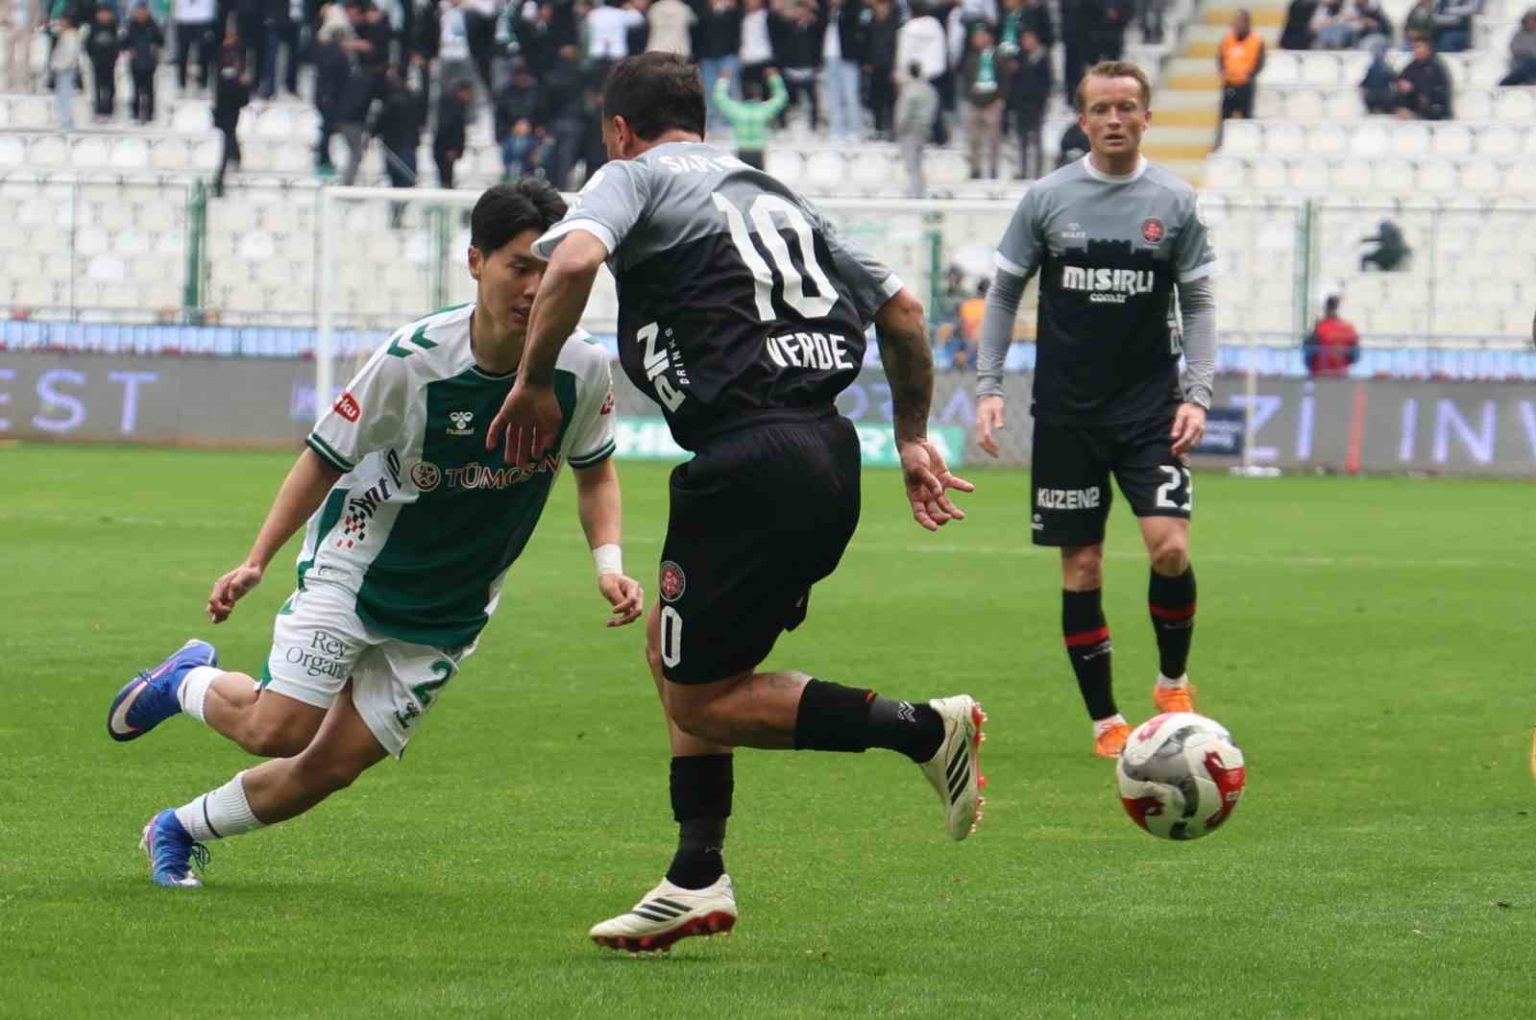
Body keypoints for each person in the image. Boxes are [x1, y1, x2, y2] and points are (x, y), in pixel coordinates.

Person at [488, 52, 983, 953]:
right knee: (670, 648)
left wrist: (532, 382)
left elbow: (574, 262)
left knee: (702, 702)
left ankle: (922, 730)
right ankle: (695, 874)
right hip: (825, 449)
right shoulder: (778, 194)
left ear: (619, 130)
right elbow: (905, 313)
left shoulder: (631, 176)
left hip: (749, 462)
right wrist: (913, 437)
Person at [110, 181, 641, 889]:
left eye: (550, 270)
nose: (535, 287)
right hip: (358, 568)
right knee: (278, 731)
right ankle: (183, 681)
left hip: (453, 607)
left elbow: (596, 472)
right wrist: (257, 560)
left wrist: (608, 564)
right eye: (520, 266)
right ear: (476, 262)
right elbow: (323, 457)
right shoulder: (412, 360)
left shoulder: (584, 365)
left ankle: (177, 828)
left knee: (331, 768)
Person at [973, 60, 1217, 758]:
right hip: (1068, 415)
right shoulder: (1047, 199)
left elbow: (1198, 303)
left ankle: (1172, 680)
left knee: (1170, 547)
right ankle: (1106, 722)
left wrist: (1198, 394)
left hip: (1150, 411)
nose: (1115, 119)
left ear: (1146, 117)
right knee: (1082, 567)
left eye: (1127, 107)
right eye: (1102, 109)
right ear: (1082, 120)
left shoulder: (1175, 203)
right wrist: (990, 387)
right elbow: (1003, 295)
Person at [713, 65, 788, 169]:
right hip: (759, 151)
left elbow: (719, 98)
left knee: (744, 177)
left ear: (743, 96)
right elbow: (781, 97)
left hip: (741, 150)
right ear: (758, 96)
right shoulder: (764, 109)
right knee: (758, 177)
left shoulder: (736, 110)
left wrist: (723, 80)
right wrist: (774, 78)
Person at [962, 24, 1008, 179]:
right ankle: (975, 168)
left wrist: (1000, 99)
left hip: (992, 103)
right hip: (975, 102)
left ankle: (993, 169)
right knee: (974, 139)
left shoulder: (998, 57)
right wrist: (969, 97)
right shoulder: (971, 57)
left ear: (989, 37)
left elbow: (1005, 79)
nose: (977, 39)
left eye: (980, 35)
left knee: (993, 140)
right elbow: (967, 78)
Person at [1008, 27, 1051, 179]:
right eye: (1024, 39)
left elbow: (1047, 82)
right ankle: (1023, 170)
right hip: (1021, 105)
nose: (1027, 42)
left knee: (1037, 139)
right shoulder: (1019, 58)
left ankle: (1038, 172)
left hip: (1036, 104)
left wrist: (1043, 101)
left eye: (1030, 38)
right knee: (1022, 140)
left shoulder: (1042, 57)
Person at [211, 38, 250, 198]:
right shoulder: (234, 82)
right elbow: (243, 101)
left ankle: (235, 160)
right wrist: (244, 86)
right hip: (230, 119)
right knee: (226, 148)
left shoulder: (220, 78)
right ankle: (221, 180)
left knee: (228, 144)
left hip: (222, 118)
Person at [895, 60, 938, 197]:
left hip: (910, 130)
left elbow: (903, 115)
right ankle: (919, 190)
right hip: (924, 129)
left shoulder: (909, 91)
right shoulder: (930, 90)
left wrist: (898, 130)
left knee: (911, 164)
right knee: (918, 163)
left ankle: (915, 192)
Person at [1218, 9, 1265, 122]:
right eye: (1235, 22)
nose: (1236, 25)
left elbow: (1260, 61)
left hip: (1246, 85)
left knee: (1246, 119)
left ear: (1247, 23)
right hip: (1229, 83)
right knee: (1225, 118)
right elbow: (1221, 57)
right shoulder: (1227, 39)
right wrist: (1223, 71)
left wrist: (1250, 75)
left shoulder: (1256, 41)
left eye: (1239, 22)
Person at [863, 0, 900, 139]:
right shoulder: (870, 24)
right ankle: (877, 128)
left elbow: (898, 47)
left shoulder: (895, 25)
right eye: (880, 6)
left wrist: (895, 66)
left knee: (891, 100)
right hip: (875, 67)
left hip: (890, 67)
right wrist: (867, 62)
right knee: (876, 99)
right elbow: (867, 44)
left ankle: (892, 129)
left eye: (885, 6)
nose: (882, 9)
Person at [122, 2, 164, 124]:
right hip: (135, 62)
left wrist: (154, 48)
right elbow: (124, 42)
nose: (141, 14)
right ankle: (135, 114)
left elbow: (161, 41)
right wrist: (129, 50)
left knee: (149, 89)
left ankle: (149, 114)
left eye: (143, 12)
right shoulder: (131, 26)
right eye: (138, 12)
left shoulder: (153, 25)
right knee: (135, 89)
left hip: (150, 62)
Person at [1396, 34, 1452, 120]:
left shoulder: (1436, 67)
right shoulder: (1412, 66)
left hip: (1433, 108)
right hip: (1414, 107)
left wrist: (1413, 88)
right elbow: (1401, 80)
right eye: (1415, 48)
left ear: (1428, 49)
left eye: (1419, 47)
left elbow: (1437, 92)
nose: (1416, 50)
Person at [1303, 295, 1360, 377]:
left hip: (1320, 374)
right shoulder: (1349, 328)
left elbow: (1308, 355)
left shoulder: (1320, 328)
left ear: (1326, 308)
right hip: (1341, 374)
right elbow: (1355, 356)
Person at [435, 77, 474, 188]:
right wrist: (451, 148)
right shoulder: (452, 107)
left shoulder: (458, 106)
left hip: (448, 149)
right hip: (446, 149)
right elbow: (448, 128)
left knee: (448, 178)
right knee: (446, 178)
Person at [84, 5, 120, 122]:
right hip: (97, 62)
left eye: (106, 14)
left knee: (110, 88)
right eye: (101, 14)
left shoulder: (113, 27)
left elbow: (118, 44)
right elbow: (87, 45)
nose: (103, 16)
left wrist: (115, 57)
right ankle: (98, 111)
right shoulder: (93, 27)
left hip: (110, 62)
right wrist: (92, 56)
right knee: (98, 87)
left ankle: (109, 111)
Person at [173, 0, 218, 92]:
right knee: (182, 53)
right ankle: (181, 85)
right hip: (183, 18)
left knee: (204, 53)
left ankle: (204, 84)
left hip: (203, 17)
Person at [49, 13, 81, 130]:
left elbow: (70, 54)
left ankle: (66, 120)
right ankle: (64, 118)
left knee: (64, 95)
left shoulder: (71, 36)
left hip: (66, 69)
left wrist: (61, 65)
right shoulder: (64, 35)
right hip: (61, 69)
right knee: (61, 95)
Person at [1499, 9, 1536, 85]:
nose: (1531, 23)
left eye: (1533, 20)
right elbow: (1514, 48)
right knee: (1526, 65)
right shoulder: (1518, 35)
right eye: (1529, 20)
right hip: (1521, 62)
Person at [1360, 39, 1396, 112]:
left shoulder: (1386, 66)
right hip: (1373, 95)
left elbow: (1392, 78)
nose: (1378, 53)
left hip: (1384, 95)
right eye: (1377, 51)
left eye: (1380, 51)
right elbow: (1366, 81)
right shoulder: (1372, 67)